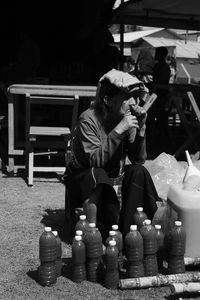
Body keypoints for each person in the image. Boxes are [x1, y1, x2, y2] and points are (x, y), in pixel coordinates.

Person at [65, 69, 160, 240]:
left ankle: (126, 232)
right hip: (86, 176)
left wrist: (141, 130)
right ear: (108, 100)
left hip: (114, 173)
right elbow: (95, 161)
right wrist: (120, 130)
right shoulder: (88, 119)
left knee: (139, 172)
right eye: (127, 97)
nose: (134, 102)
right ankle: (92, 237)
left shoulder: (127, 118)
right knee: (98, 174)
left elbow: (138, 159)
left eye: (135, 96)